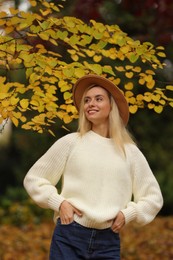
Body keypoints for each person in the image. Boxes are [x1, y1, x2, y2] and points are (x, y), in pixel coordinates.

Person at [23, 74, 163, 260]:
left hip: (108, 241)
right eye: (87, 100)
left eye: (98, 99)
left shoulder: (130, 153)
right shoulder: (71, 143)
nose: (91, 104)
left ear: (111, 106)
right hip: (69, 235)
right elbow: (34, 179)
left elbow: (153, 198)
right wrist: (60, 203)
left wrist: (128, 214)